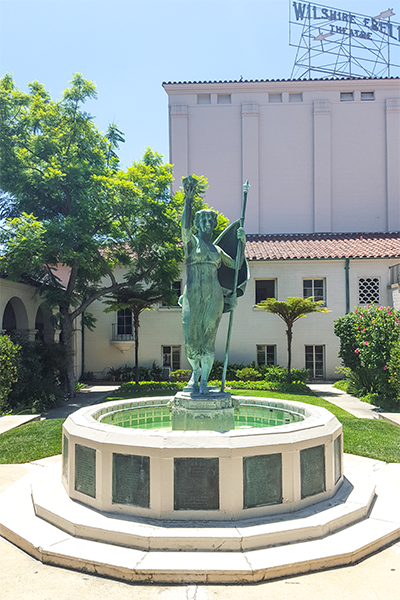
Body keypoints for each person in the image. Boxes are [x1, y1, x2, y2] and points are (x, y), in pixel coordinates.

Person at [180, 176, 246, 394]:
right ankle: (194, 374)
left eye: (211, 221)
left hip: (213, 297)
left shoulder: (217, 251)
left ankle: (205, 380)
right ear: (198, 224)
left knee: (208, 340)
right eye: (204, 221)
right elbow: (185, 229)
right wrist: (188, 201)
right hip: (192, 296)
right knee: (191, 341)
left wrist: (242, 242)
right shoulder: (191, 244)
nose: (207, 225)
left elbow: (236, 265)